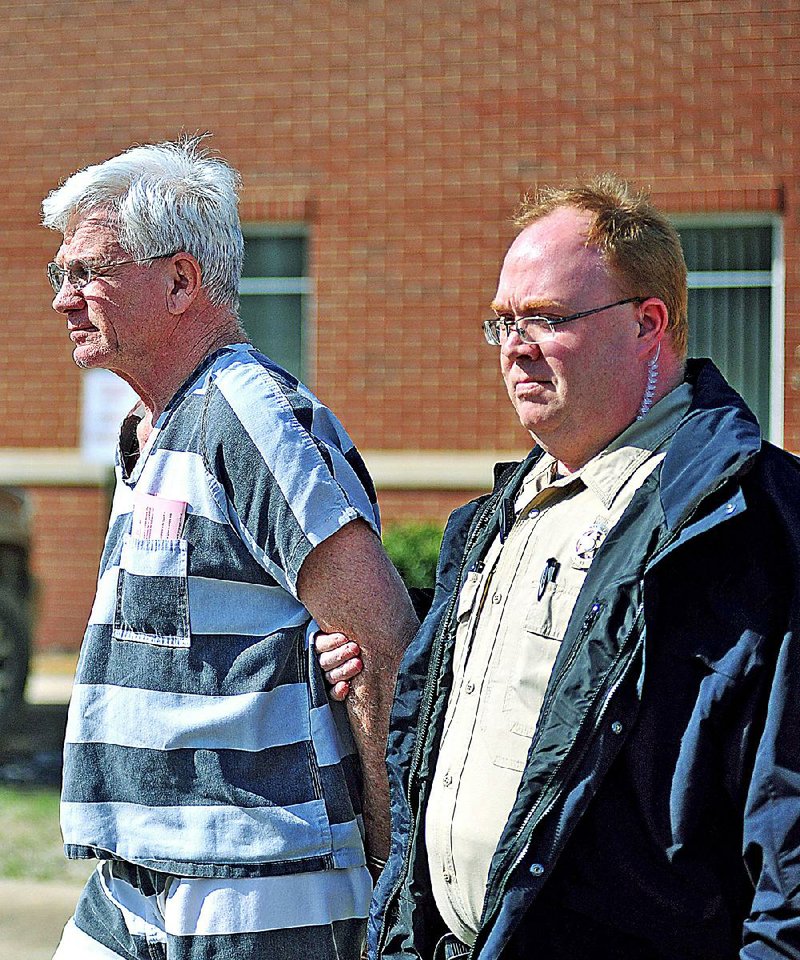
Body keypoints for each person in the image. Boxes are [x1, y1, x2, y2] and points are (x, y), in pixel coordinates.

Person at [317, 174, 800, 959]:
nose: (514, 346)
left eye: (545, 319)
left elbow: (788, 843)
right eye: (502, 321)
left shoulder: (752, 525)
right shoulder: (490, 524)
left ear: (649, 323)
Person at [42, 137, 419, 960]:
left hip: (255, 881)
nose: (66, 299)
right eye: (60, 275)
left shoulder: (246, 413)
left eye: (89, 273)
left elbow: (381, 640)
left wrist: (395, 872)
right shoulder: (153, 423)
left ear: (180, 281)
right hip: (133, 876)